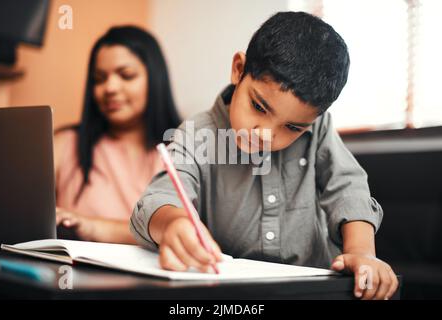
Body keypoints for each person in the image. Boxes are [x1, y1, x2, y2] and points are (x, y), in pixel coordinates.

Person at [130, 12, 398, 299]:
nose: (266, 134)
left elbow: (347, 187)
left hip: (315, 288)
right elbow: (160, 197)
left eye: (293, 127)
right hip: (233, 293)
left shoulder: (318, 130)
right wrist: (173, 223)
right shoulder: (197, 134)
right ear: (238, 69)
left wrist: (361, 252)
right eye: (259, 107)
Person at [55, 26, 181, 244]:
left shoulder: (184, 150)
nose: (110, 87)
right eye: (99, 78)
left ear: (155, 79)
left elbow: (187, 231)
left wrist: (91, 227)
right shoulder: (64, 143)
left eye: (126, 75)